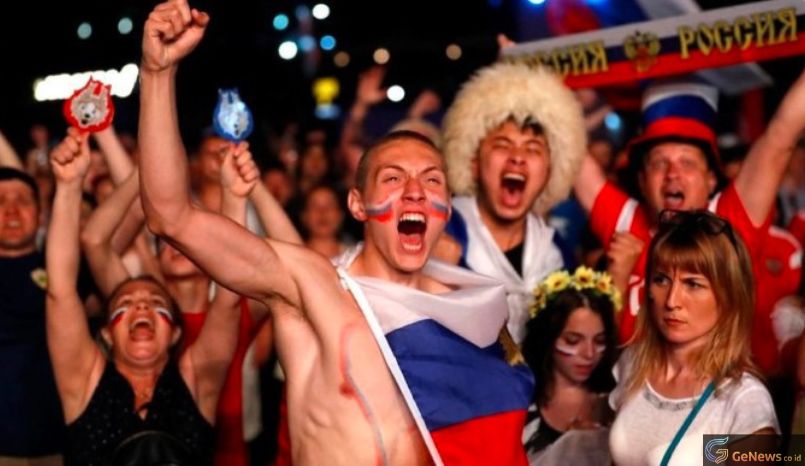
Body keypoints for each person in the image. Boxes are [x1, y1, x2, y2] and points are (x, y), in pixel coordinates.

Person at [137, 2, 533, 464]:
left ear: (446, 207)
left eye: (431, 180)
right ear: (358, 204)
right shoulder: (312, 287)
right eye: (393, 178)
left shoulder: (467, 312)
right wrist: (157, 74)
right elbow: (171, 216)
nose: (414, 192)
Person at [45, 127, 248, 465]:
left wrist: (234, 199)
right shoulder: (84, 381)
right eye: (124, 305)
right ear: (106, 333)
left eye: (157, 304)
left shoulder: (197, 381)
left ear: (176, 333)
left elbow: (227, 299)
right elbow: (61, 291)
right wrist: (68, 187)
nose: (141, 305)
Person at [573, 75, 805, 357]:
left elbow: (780, 137)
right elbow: (570, 148)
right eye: (660, 163)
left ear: (711, 179)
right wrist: (535, 74)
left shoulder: (728, 223)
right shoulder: (626, 222)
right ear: (642, 180)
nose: (673, 173)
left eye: (687, 162)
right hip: (632, 383)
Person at [609, 210, 778, 466]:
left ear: (729, 294)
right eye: (661, 280)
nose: (672, 301)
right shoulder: (632, 364)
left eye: (692, 284)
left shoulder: (744, 400)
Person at [439, 61, 587, 343]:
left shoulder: (557, 254)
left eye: (533, 148)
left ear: (550, 171)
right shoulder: (441, 231)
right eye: (502, 145)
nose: (518, 158)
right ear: (473, 162)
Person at [521, 267, 618, 466]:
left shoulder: (617, 401)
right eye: (573, 340)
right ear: (547, 337)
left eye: (599, 341)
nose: (589, 353)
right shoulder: (518, 404)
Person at [0, 166, 65, 464]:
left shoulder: (64, 273)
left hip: (56, 447)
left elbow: (99, 238)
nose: (11, 210)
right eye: (0, 201)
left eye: (23, 200)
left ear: (41, 214)